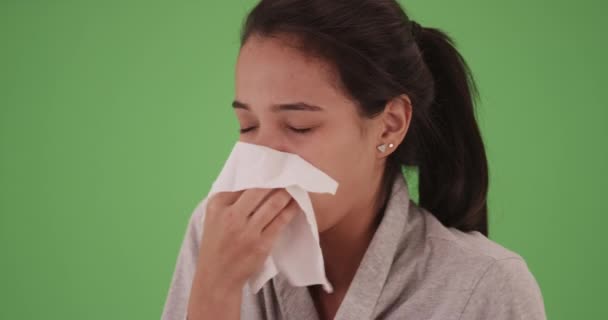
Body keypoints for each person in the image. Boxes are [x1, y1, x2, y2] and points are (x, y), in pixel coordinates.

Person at [161, 0, 547, 319]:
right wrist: (215, 289)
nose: (263, 156)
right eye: (247, 126)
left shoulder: (486, 285)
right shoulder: (214, 233)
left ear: (389, 127)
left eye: (298, 126)